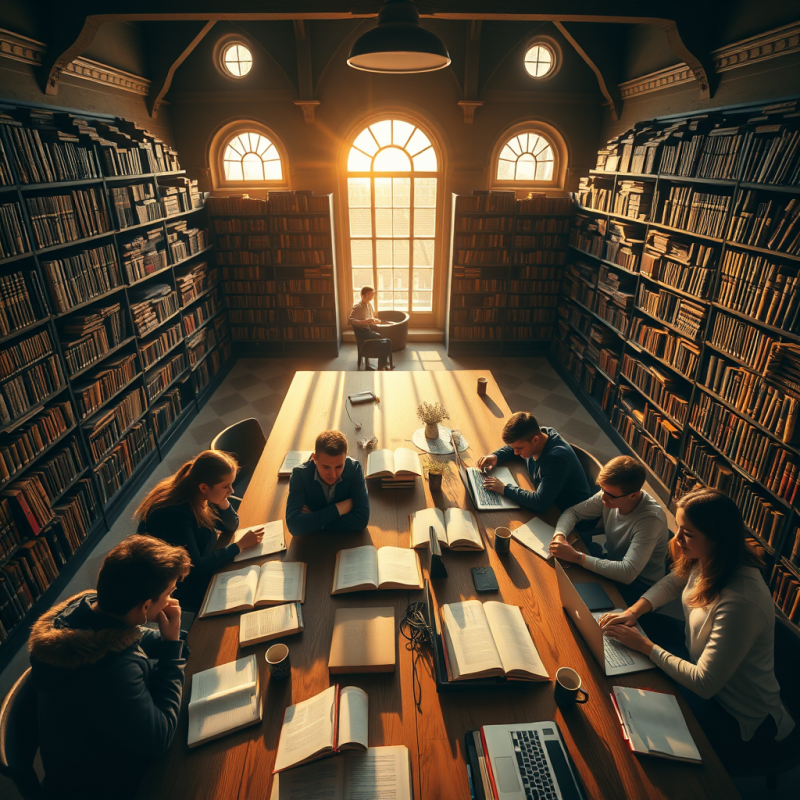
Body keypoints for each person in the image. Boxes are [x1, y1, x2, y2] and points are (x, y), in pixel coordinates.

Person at [600, 487, 795, 768]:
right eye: (678, 528)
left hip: (739, 714)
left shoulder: (742, 601)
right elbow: (674, 581)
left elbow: (704, 684)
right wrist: (632, 612)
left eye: (687, 533)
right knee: (629, 666)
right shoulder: (711, 559)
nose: (677, 540)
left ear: (718, 539)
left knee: (639, 725)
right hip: (700, 666)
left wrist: (644, 645)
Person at [28, 535, 192, 800]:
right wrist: (172, 647)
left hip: (90, 749)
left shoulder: (91, 607)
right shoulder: (110, 672)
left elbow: (134, 634)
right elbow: (159, 738)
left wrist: (171, 641)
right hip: (102, 783)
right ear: (146, 606)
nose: (172, 600)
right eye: (169, 594)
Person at [135, 450, 264, 611]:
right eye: (226, 486)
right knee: (248, 597)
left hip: (203, 557)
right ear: (203, 487)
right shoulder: (175, 515)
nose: (231, 491)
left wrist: (222, 500)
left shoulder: (198, 493)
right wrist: (238, 546)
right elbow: (196, 567)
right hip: (181, 584)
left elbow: (230, 526)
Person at [548, 455, 669, 604]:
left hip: (637, 586)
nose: (603, 498)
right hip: (612, 561)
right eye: (602, 489)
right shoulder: (611, 494)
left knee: (571, 596)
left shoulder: (650, 521)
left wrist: (577, 557)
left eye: (610, 495)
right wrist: (560, 536)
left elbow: (627, 573)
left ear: (633, 496)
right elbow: (573, 512)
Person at [477, 411, 592, 514]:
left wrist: (504, 488)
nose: (515, 452)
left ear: (535, 440)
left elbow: (540, 503)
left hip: (568, 515)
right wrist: (496, 456)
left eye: (519, 448)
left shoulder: (557, 460)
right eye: (513, 448)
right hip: (551, 500)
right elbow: (514, 448)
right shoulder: (541, 434)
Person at [286, 429, 370, 535]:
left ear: (345, 458)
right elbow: (294, 526)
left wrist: (315, 520)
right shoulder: (300, 475)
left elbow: (361, 520)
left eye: (339, 466)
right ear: (314, 458)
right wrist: (339, 509)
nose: (333, 474)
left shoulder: (354, 469)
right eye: (326, 467)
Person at [349, 284, 393, 370]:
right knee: (383, 340)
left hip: (368, 330)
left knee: (385, 339)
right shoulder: (358, 307)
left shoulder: (369, 305)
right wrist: (364, 322)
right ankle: (382, 363)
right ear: (363, 295)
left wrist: (374, 320)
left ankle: (383, 362)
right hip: (362, 333)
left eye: (373, 294)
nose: (372, 295)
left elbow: (370, 317)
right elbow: (350, 320)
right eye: (370, 294)